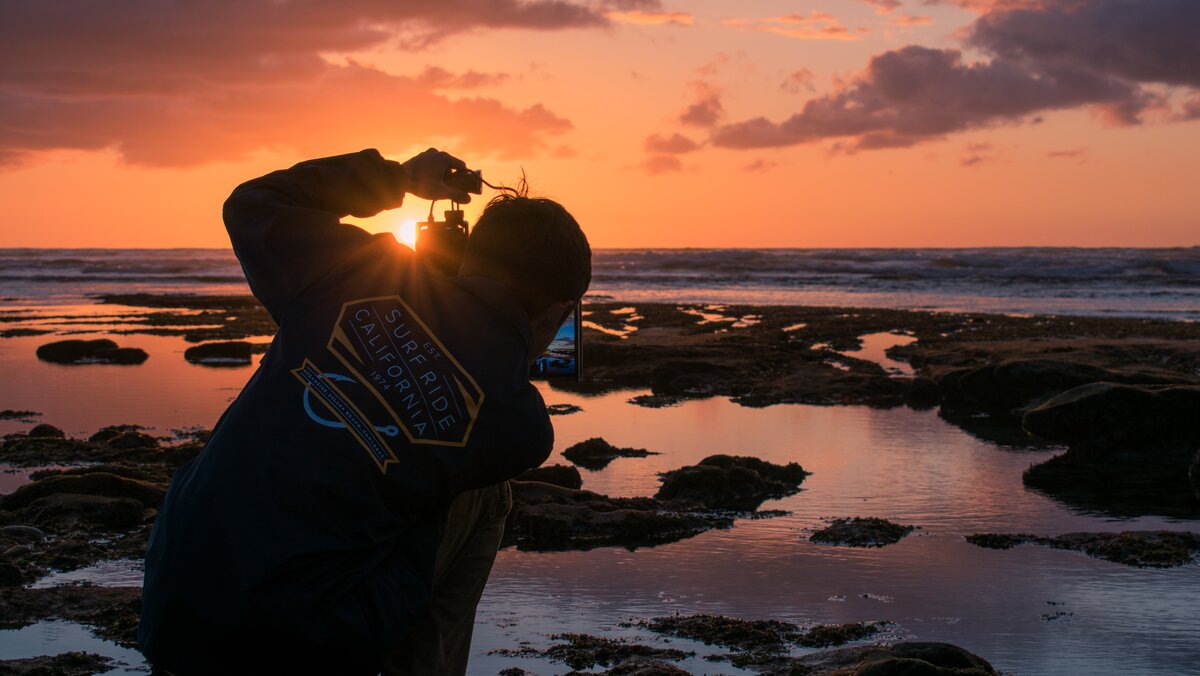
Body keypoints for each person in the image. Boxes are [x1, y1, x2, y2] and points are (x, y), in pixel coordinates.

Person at [138, 147, 591, 675]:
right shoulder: (519, 428)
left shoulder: (355, 272)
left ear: (469, 259)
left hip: (177, 602)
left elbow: (252, 203)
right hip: (305, 647)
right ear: (560, 311)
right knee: (481, 493)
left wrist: (397, 178)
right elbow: (459, 383)